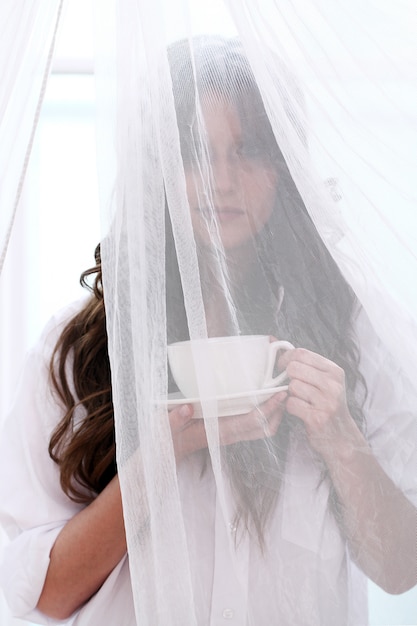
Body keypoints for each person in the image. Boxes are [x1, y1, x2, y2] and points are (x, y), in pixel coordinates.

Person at [0, 36, 416, 626]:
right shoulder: (81, 347)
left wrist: (339, 436)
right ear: (159, 167)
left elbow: (403, 567)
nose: (221, 180)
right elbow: (45, 591)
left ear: (285, 166)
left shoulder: (352, 332)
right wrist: (164, 455)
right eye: (195, 151)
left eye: (246, 150)